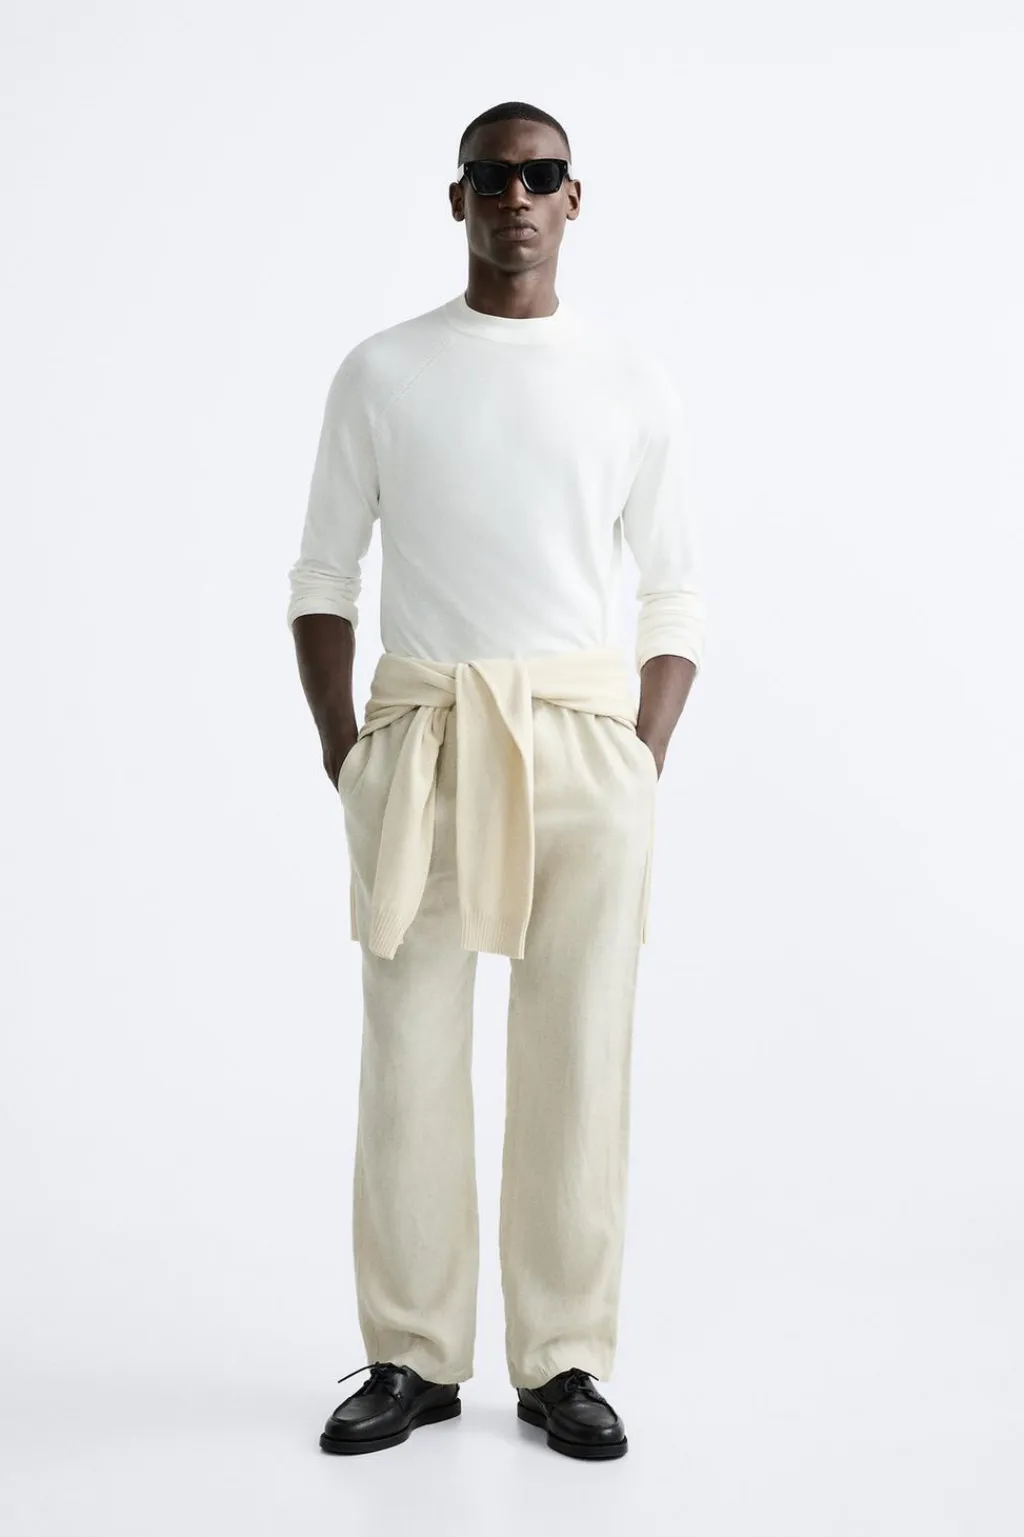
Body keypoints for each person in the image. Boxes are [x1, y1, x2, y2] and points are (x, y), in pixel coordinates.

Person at [287, 100, 705, 1461]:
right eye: (490, 175)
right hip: (425, 743)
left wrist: (638, 760)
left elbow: (675, 594)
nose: (515, 196)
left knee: (578, 1054)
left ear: (575, 198)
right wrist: (347, 750)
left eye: (540, 175)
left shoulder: (629, 381)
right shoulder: (383, 372)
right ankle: (411, 1357)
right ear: (456, 197)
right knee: (408, 1052)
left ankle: (564, 1359)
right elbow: (323, 575)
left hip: (582, 746)